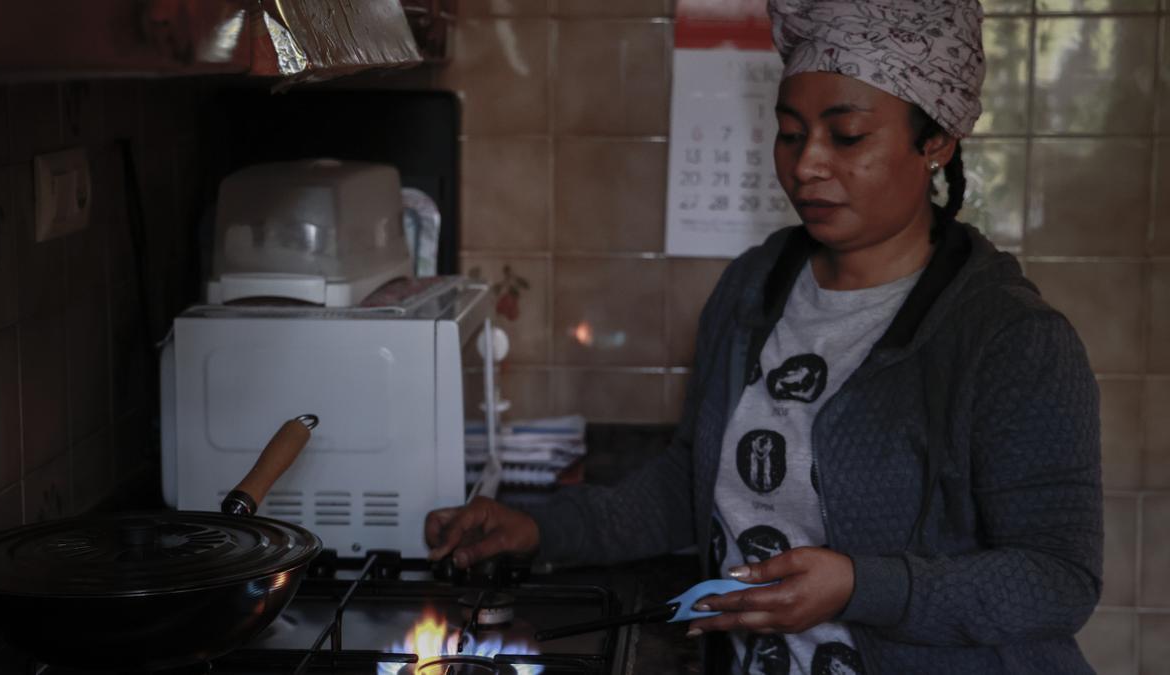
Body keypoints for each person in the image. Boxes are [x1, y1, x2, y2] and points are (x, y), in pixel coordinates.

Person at [426, 1, 1103, 672]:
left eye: (846, 136)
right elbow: (689, 487)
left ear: (936, 142)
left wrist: (863, 585)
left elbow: (1058, 578)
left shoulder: (1012, 339)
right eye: (789, 132)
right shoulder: (755, 288)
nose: (806, 164)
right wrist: (542, 527)